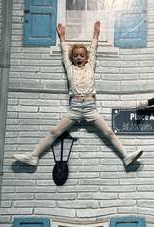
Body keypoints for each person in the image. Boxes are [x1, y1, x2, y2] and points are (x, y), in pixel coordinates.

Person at [14, 21, 142, 167]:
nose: (79, 57)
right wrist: (62, 37)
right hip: (74, 108)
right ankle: (33, 156)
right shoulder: (70, 68)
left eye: (82, 55)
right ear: (72, 58)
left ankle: (126, 156)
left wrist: (96, 34)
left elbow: (93, 50)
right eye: (76, 56)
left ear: (86, 58)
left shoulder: (90, 66)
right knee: (55, 131)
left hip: (90, 107)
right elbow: (64, 53)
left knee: (109, 133)